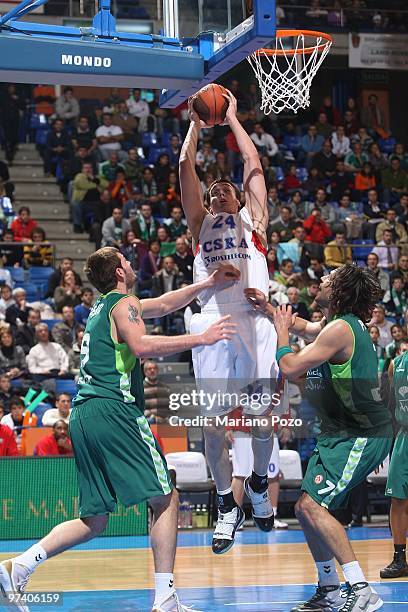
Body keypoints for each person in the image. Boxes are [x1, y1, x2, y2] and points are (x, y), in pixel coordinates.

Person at [0, 246, 238, 612]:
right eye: (126, 259)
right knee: (165, 497)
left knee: (94, 519)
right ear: (119, 272)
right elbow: (142, 345)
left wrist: (206, 284)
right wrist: (201, 339)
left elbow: (161, 304)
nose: (130, 262)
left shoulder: (107, 307)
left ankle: (19, 567)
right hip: (114, 409)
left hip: (84, 413)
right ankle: (166, 598)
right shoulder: (122, 306)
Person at [247, 263, 392, 611]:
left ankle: (361, 588)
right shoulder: (333, 326)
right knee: (303, 508)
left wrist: (281, 336)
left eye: (329, 277)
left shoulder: (340, 329)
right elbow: (306, 327)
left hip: (359, 433)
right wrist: (268, 308)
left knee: (313, 506)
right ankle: (328, 588)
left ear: (339, 291)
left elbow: (291, 366)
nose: (322, 278)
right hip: (339, 432)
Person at [179, 89, 278, 554]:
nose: (218, 192)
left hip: (255, 318)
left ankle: (258, 481)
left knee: (261, 418)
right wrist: (196, 125)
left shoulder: (253, 220)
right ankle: (226, 505)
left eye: (226, 189)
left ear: (238, 197)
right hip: (214, 321)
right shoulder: (199, 223)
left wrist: (233, 116)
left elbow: (253, 162)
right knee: (213, 425)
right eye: (213, 189)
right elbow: (185, 170)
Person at [380, 343, 408, 579]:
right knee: (398, 498)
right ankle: (400, 559)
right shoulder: (395, 365)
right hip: (404, 437)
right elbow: (388, 408)